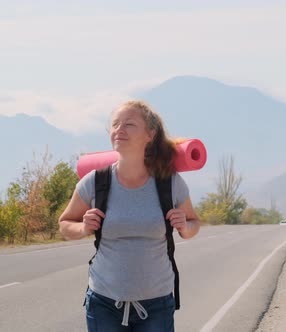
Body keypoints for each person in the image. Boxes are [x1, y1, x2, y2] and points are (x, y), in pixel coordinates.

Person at [59, 100, 200, 332]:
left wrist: (185, 226)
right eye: (115, 124)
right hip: (104, 304)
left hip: (157, 305)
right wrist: (82, 228)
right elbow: (65, 224)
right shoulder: (95, 182)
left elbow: (194, 223)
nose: (119, 129)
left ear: (150, 135)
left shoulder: (169, 183)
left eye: (129, 124)